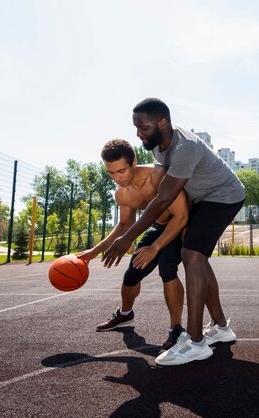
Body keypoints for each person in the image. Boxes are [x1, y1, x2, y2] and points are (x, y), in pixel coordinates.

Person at [102, 98, 245, 366]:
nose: (138, 133)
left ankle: (195, 342)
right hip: (201, 200)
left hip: (224, 195)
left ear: (162, 122)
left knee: (191, 255)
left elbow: (163, 198)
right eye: (136, 128)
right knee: (197, 257)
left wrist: (127, 238)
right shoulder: (159, 148)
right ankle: (222, 328)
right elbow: (181, 190)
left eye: (143, 128)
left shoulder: (184, 148)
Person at [78, 139, 188, 350]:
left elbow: (181, 216)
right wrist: (93, 252)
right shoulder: (122, 193)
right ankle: (125, 314)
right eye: (111, 173)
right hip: (157, 226)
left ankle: (176, 329)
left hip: (180, 224)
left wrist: (155, 248)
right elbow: (124, 226)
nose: (117, 178)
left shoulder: (158, 175)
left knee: (167, 269)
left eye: (121, 171)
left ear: (134, 162)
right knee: (131, 275)